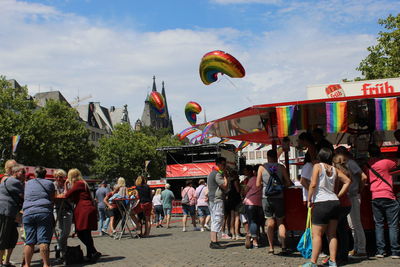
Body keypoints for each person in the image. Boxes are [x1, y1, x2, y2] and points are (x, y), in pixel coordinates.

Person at [301, 148, 351, 267]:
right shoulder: (334, 168)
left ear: (320, 156)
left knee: (317, 235)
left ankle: (313, 262)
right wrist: (338, 195)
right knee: (332, 234)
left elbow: (313, 184)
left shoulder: (317, 166)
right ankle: (333, 261)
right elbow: (347, 181)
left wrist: (309, 199)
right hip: (334, 202)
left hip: (321, 202)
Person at [367, 144, 400, 259]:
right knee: (392, 225)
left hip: (375, 196)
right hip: (388, 195)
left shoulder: (367, 163)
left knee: (379, 225)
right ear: (379, 152)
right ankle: (395, 252)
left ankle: (380, 251)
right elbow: (397, 164)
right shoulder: (385, 162)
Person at [256, 149, 291, 254]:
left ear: (267, 157)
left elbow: (258, 185)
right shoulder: (281, 167)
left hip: (266, 198)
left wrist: (266, 185)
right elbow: (288, 183)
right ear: (276, 157)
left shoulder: (262, 168)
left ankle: (271, 247)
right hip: (279, 198)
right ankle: (283, 246)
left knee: (270, 223)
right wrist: (281, 186)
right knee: (280, 222)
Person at [335, 146, 368, 257]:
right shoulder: (348, 164)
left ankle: (361, 249)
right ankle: (356, 248)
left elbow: (363, 177)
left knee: (356, 224)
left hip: (353, 196)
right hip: (351, 196)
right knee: (352, 224)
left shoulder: (351, 163)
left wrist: (359, 189)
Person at [64, 168, 101, 262]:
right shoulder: (83, 183)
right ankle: (90, 255)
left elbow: (67, 195)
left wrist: (65, 185)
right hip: (88, 208)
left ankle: (94, 252)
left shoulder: (78, 184)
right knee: (87, 233)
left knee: (80, 232)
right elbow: (73, 198)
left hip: (83, 209)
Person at [23, 166, 55, 267]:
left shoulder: (27, 183)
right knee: (44, 240)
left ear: (35, 174)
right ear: (45, 174)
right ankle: (46, 264)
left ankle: (27, 264)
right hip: (43, 211)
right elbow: (52, 197)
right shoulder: (50, 183)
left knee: (29, 241)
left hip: (28, 212)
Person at [0, 163, 24, 267]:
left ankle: (6, 262)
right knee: (4, 237)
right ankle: (1, 262)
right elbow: (24, 196)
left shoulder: (6, 179)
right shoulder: (14, 182)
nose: (25, 174)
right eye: (22, 172)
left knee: (13, 236)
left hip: (8, 212)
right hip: (7, 212)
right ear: (15, 172)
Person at [332, 154, 352, 265]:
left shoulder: (336, 172)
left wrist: (337, 196)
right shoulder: (347, 172)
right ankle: (343, 256)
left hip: (338, 204)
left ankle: (334, 256)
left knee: (332, 232)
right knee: (343, 232)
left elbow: (334, 188)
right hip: (347, 204)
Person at [207, 157, 228, 249]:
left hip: (212, 199)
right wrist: (226, 177)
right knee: (217, 219)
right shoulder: (217, 174)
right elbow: (225, 186)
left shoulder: (211, 173)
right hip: (216, 199)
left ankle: (214, 240)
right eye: (223, 164)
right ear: (218, 164)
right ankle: (214, 242)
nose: (225, 166)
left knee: (214, 219)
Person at [53, 169, 73, 262]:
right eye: (56, 176)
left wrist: (65, 186)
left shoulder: (68, 184)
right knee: (60, 231)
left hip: (67, 209)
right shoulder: (53, 184)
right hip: (57, 210)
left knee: (66, 232)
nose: (58, 178)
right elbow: (54, 196)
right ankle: (63, 253)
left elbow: (68, 196)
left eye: (60, 176)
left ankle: (58, 247)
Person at [243, 165, 262, 249]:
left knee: (252, 221)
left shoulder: (253, 179)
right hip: (259, 202)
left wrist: (242, 191)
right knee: (257, 222)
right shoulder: (263, 179)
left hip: (250, 203)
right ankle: (257, 237)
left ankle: (254, 241)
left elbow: (245, 191)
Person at [225, 169, 241, 240]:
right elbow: (238, 190)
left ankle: (233, 234)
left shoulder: (228, 181)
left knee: (231, 217)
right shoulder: (235, 181)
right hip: (236, 199)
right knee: (237, 217)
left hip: (230, 199)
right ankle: (237, 234)